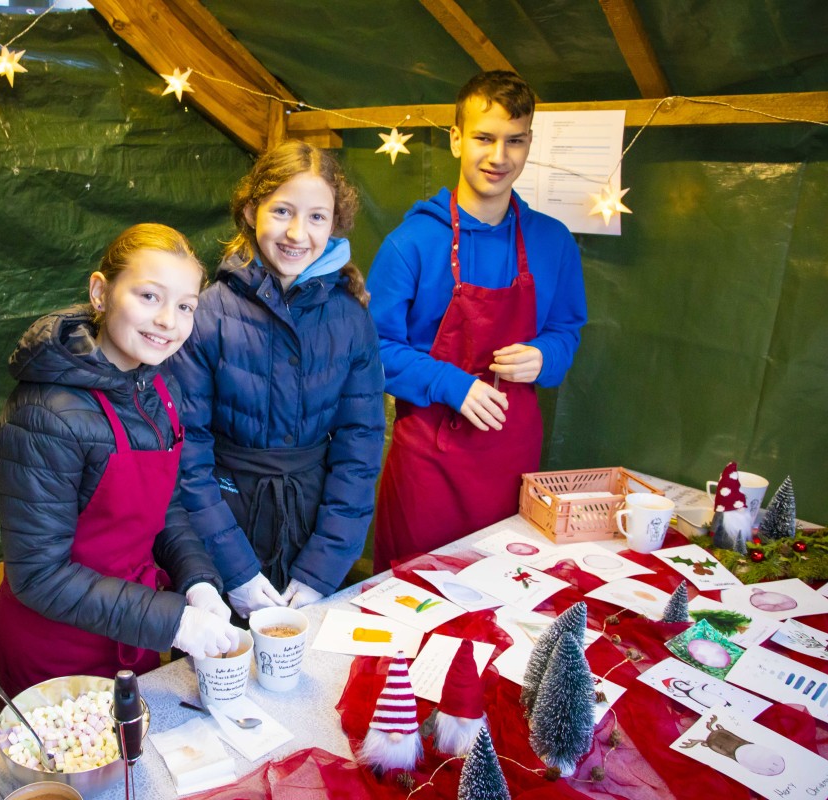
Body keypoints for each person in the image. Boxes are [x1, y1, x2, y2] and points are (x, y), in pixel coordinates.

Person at [0, 223, 238, 698]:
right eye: (149, 296)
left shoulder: (159, 387)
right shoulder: (44, 414)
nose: (168, 320)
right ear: (101, 293)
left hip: (134, 632)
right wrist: (171, 621)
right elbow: (39, 575)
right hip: (57, 654)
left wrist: (198, 580)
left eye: (185, 306)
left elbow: (163, 508)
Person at [368, 70, 587, 572]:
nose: (499, 157)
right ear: (456, 138)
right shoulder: (411, 243)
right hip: (428, 465)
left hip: (511, 461)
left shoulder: (553, 242)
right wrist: (452, 384)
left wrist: (545, 356)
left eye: (514, 141)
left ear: (529, 143)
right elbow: (373, 349)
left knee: (501, 598)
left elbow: (566, 332)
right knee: (413, 602)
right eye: (484, 138)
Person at [171, 141, 386, 619]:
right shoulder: (208, 315)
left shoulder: (351, 319)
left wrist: (322, 569)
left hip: (312, 525)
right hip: (222, 528)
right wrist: (236, 573)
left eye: (316, 217)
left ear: (334, 225)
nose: (296, 233)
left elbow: (360, 449)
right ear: (251, 211)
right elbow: (187, 456)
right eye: (282, 211)